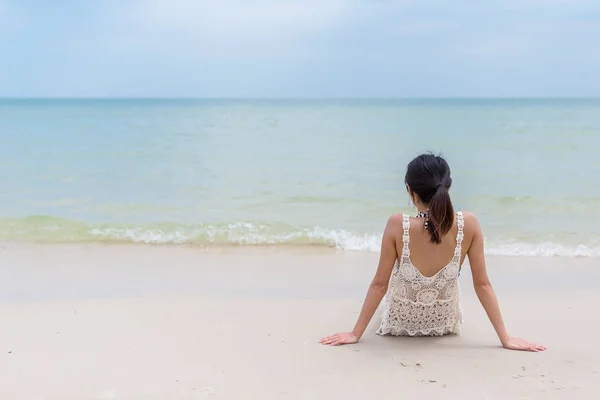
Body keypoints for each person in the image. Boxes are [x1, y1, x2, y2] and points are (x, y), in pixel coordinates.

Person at [320, 153, 546, 352]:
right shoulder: (469, 223)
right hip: (444, 326)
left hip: (399, 325)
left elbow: (379, 285)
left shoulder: (398, 225)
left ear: (410, 191)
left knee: (385, 298)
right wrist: (505, 338)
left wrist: (355, 334)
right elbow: (483, 285)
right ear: (447, 187)